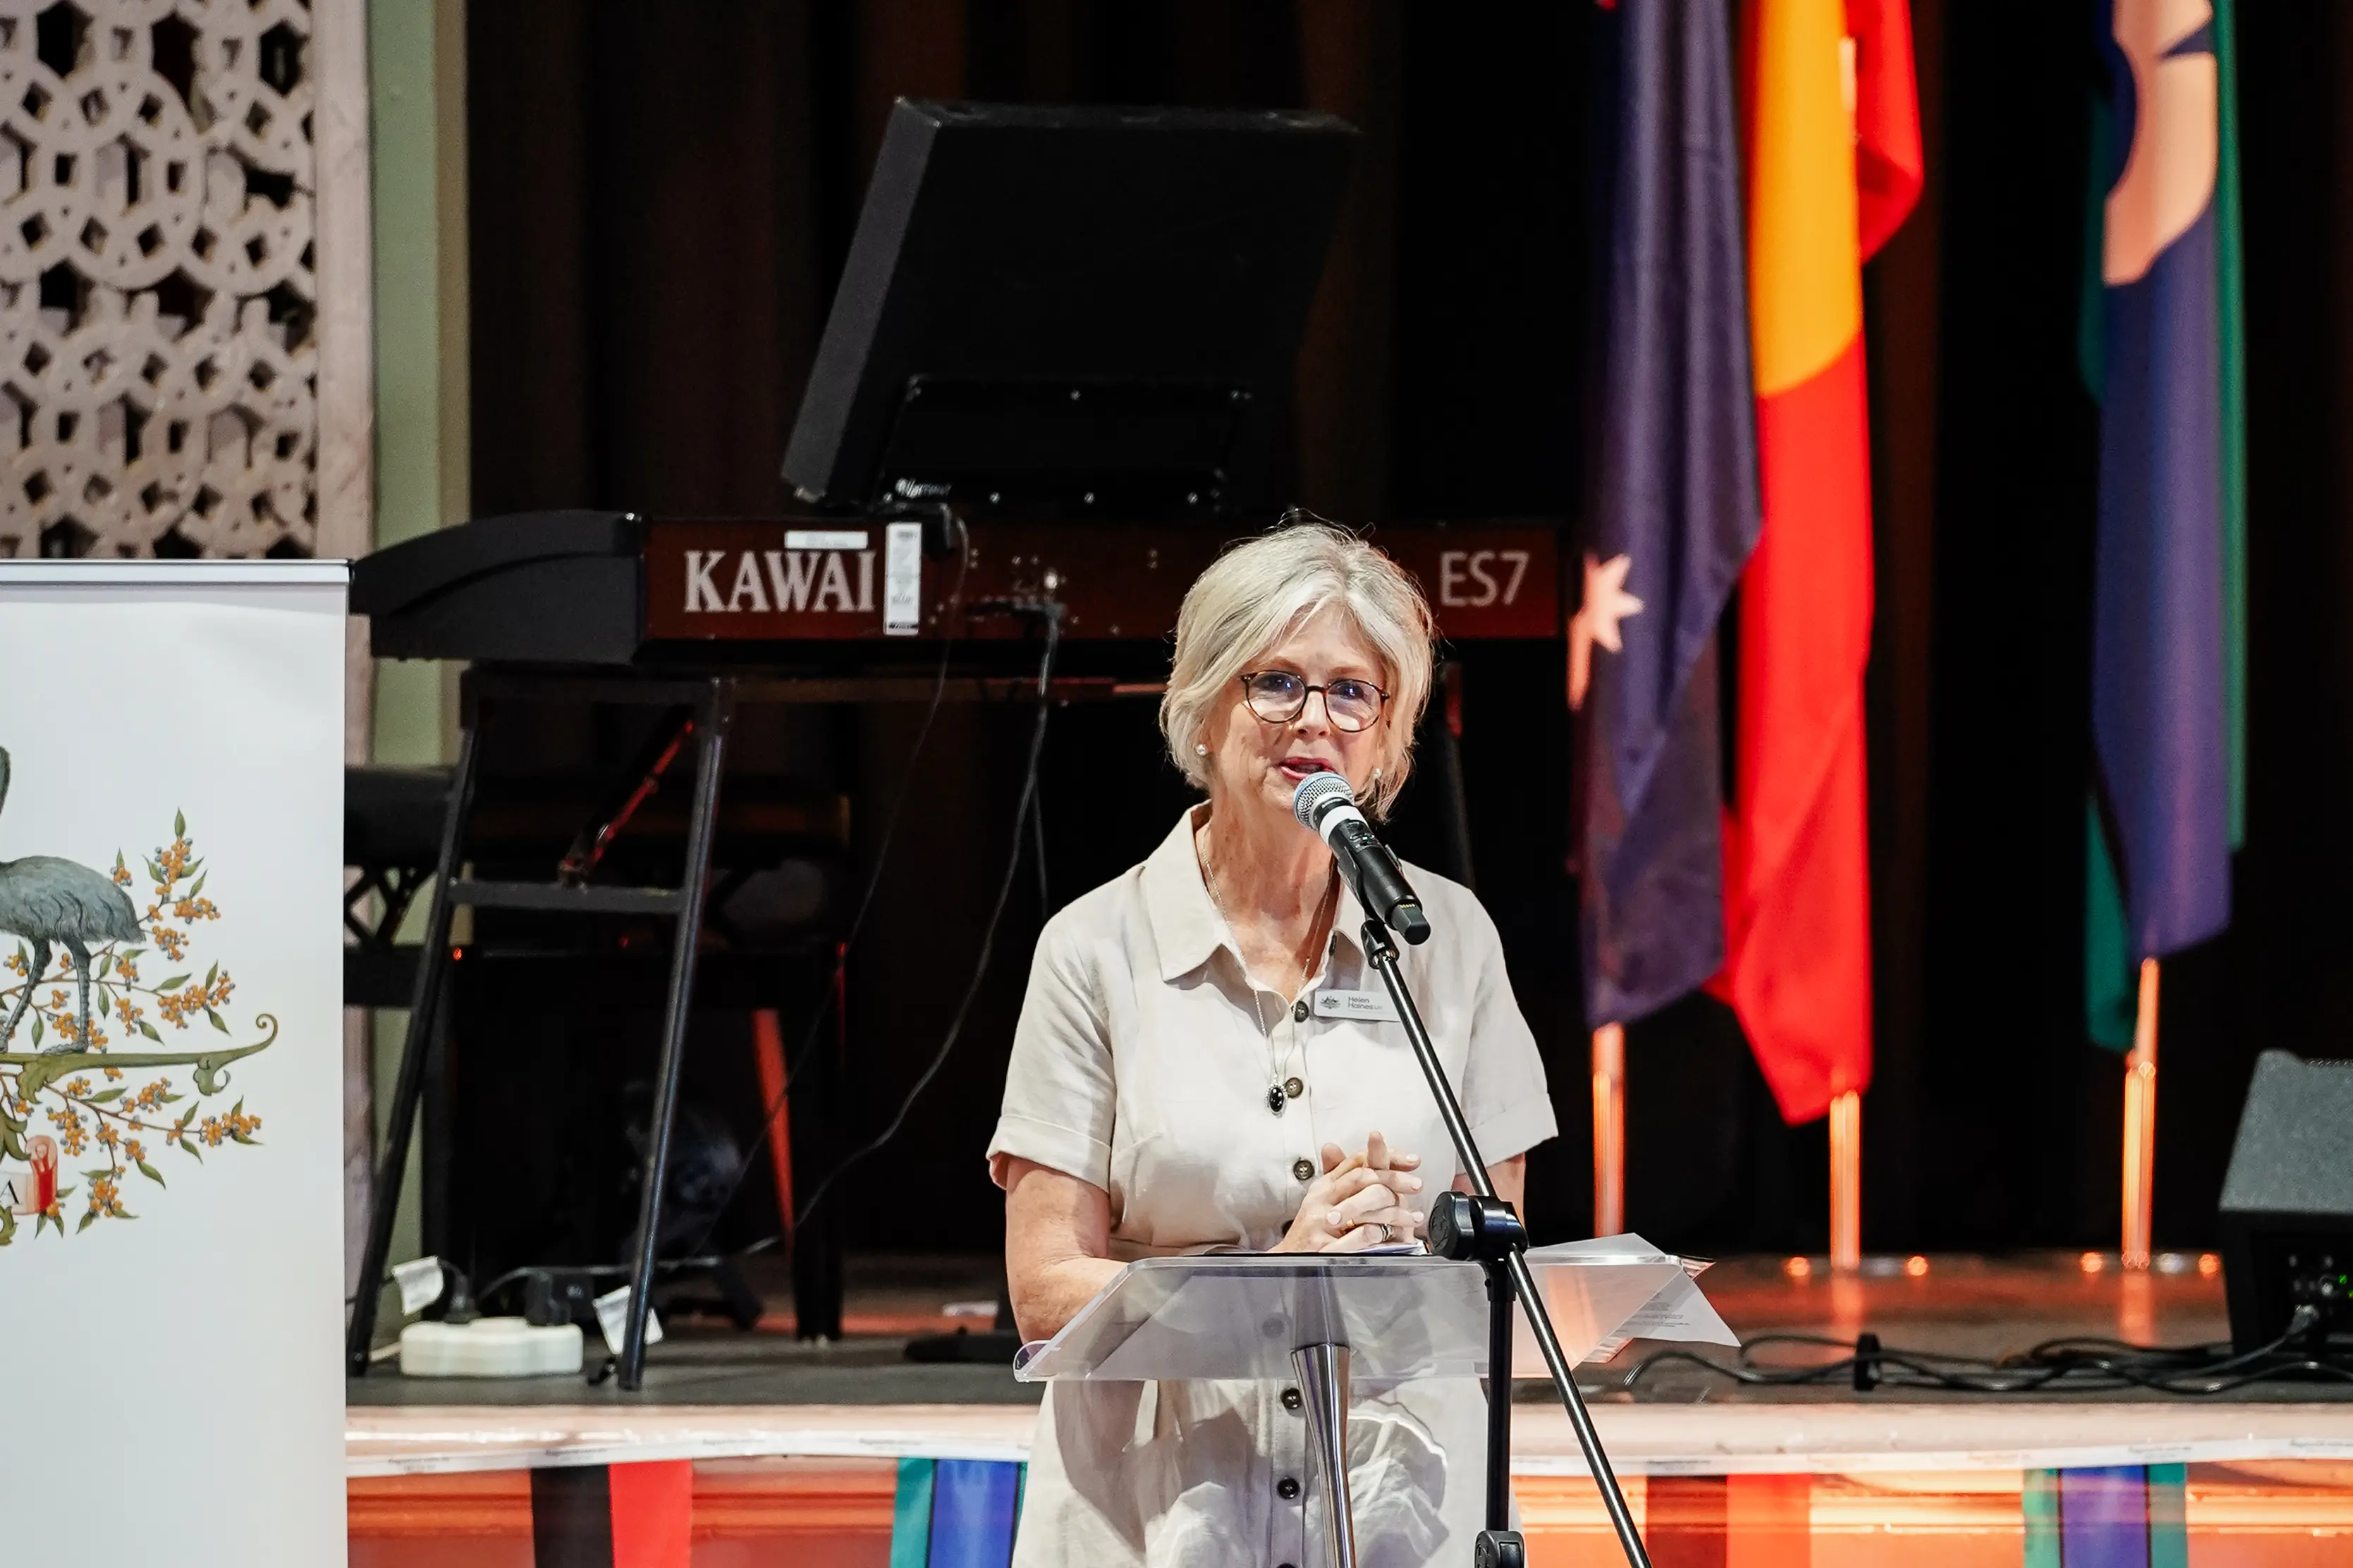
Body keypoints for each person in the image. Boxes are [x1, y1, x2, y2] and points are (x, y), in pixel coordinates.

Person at [986, 518, 1559, 1568]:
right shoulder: (1092, 948)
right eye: (1278, 683)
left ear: (1388, 736)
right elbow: (1046, 1294)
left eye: (1353, 692)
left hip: (1399, 1512)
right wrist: (1280, 1283)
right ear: (1204, 708)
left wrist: (1409, 1246)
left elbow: (1495, 1265)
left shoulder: (1446, 937)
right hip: (1154, 1519)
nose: (1315, 721)